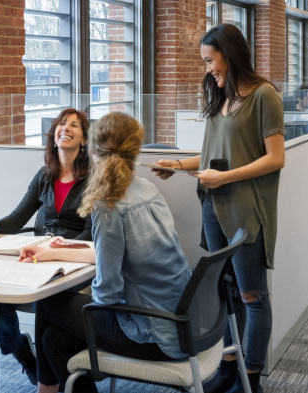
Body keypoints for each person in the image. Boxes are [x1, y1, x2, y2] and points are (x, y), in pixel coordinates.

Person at [153, 24, 285, 393]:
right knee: (226, 290)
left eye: (211, 59)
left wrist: (225, 179)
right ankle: (231, 364)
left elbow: (276, 159)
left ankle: (252, 376)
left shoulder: (264, 96)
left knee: (251, 295)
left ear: (230, 53)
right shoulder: (220, 97)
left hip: (246, 210)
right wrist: (177, 166)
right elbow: (212, 157)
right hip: (213, 207)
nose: (208, 67)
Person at [22, 111, 192, 393]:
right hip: (182, 323)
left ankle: (45, 389)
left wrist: (82, 294)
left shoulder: (108, 204)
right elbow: (116, 254)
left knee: (49, 303)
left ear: (91, 149)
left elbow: (108, 295)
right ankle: (48, 389)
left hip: (154, 334)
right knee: (55, 339)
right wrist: (54, 252)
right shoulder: (146, 188)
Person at [0, 108, 92, 385]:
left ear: (84, 140)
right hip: (38, 257)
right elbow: (18, 218)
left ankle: (48, 381)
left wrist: (56, 249)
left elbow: (91, 234)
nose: (66, 128)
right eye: (61, 124)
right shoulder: (45, 175)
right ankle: (20, 352)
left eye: (74, 125)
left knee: (48, 308)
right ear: (53, 135)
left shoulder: (93, 177)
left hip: (72, 262)